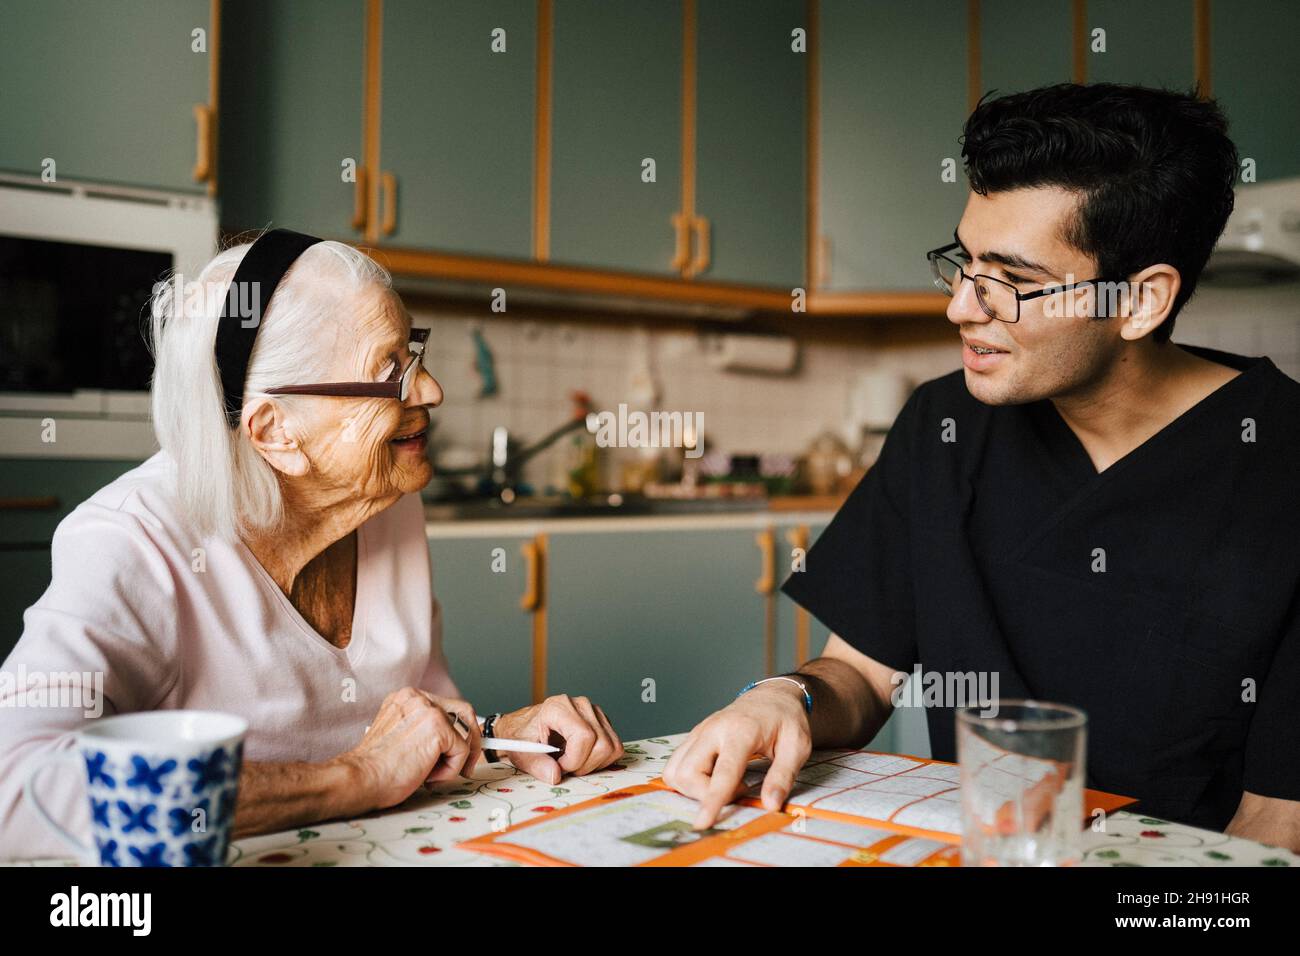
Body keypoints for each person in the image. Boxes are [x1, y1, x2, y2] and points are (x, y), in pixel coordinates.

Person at [664, 84, 1300, 851]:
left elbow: (1275, 826)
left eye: (1014, 283)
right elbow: (861, 678)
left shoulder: (1282, 462)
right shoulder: (945, 425)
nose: (962, 307)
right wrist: (780, 699)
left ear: (1139, 302)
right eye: (964, 264)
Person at [0, 230, 623, 860]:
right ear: (277, 433)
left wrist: (497, 736)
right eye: (392, 374)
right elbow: (17, 789)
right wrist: (352, 779)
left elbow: (414, 727)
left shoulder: (386, 501)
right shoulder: (133, 540)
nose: (430, 390)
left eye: (414, 353)